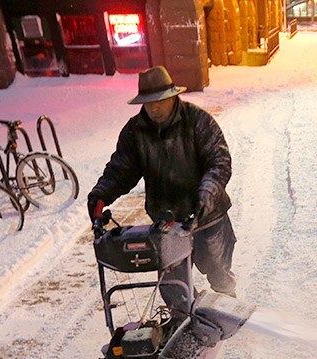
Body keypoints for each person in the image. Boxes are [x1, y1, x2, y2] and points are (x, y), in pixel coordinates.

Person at [87, 65, 236, 316]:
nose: (155, 108)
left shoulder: (198, 121)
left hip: (208, 215)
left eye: (160, 101)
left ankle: (229, 311)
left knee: (217, 269)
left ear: (172, 96)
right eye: (148, 103)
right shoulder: (136, 131)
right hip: (167, 223)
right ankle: (184, 323)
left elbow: (219, 162)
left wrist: (205, 195)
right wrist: (101, 195)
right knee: (173, 285)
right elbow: (121, 169)